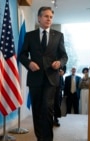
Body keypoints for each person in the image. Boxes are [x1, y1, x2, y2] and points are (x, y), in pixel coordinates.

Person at [18, 6, 68, 141]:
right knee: (37, 110)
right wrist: (29, 63)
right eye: (46, 16)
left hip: (51, 78)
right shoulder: (30, 36)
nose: (49, 19)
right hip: (35, 78)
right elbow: (22, 55)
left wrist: (59, 62)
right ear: (39, 18)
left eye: (51, 17)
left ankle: (47, 139)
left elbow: (64, 56)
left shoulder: (58, 36)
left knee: (47, 109)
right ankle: (40, 137)